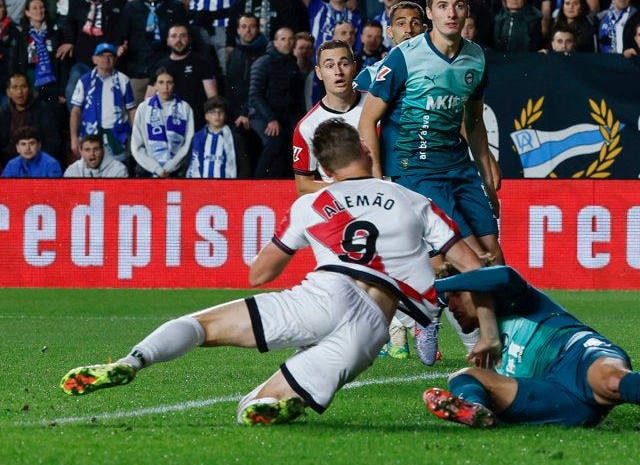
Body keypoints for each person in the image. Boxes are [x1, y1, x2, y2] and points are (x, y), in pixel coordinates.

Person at [60, 118, 500, 425]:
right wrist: (486, 329)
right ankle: (278, 401)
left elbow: (259, 273)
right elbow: (473, 266)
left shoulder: (312, 204)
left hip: (324, 296)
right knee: (251, 406)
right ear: (366, 151)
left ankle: (131, 361)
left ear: (325, 170)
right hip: (372, 331)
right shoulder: (411, 200)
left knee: (195, 326)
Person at [424, 262, 640, 434]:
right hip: (559, 400)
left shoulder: (516, 301)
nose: (448, 305)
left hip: (576, 355)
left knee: (611, 379)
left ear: (473, 291)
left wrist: (430, 284)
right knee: (466, 375)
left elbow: (504, 274)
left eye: (454, 296)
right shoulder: (485, 349)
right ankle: (475, 411)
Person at [360, 0, 503, 262]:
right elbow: (367, 121)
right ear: (430, 12)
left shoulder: (476, 58)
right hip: (416, 170)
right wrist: (377, 179)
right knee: (473, 257)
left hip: (460, 169)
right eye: (442, 6)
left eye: (458, 5)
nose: (451, 13)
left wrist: (487, 177)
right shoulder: (403, 57)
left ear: (467, 10)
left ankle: (474, 306)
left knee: (494, 255)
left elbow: (473, 123)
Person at [293, 39, 361, 193]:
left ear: (354, 67)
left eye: (344, 64)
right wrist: (348, 190)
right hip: (343, 209)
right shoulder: (308, 126)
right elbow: (303, 186)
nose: (338, 71)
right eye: (329, 66)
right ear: (319, 73)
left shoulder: (376, 105)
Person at [249, 26, 304, 178]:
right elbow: (255, 96)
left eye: (291, 38)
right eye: (283, 39)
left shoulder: (292, 64)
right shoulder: (263, 63)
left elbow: (294, 98)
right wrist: (270, 119)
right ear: (275, 43)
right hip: (262, 116)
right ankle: (256, 183)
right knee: (274, 141)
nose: (288, 42)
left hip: (284, 117)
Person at [130, 68, 196, 178]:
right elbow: (136, 146)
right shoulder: (144, 108)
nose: (165, 87)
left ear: (174, 84)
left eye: (169, 82)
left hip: (177, 170)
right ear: (155, 84)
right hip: (150, 170)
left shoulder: (185, 108)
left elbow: (188, 142)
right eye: (161, 82)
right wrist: (156, 168)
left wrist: (170, 166)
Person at [187, 95, 251, 178]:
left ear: (225, 115)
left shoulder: (235, 138)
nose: (217, 115)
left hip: (226, 188)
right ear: (206, 116)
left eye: (220, 112)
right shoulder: (198, 138)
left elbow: (245, 168)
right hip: (201, 188)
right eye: (212, 112)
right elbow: (190, 164)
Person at [64, 132, 130, 178]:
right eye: (87, 150)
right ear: (81, 152)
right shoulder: (72, 170)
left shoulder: (118, 169)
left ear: (102, 150)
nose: (92, 154)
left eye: (96, 149)